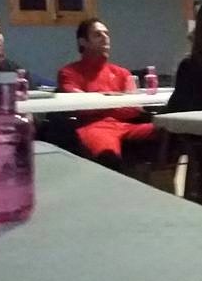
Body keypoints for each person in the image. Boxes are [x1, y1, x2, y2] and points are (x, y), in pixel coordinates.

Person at [57, 18, 158, 169]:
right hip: (94, 128)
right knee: (108, 157)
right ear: (83, 42)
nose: (105, 38)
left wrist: (99, 101)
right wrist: (118, 99)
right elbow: (81, 106)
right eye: (98, 34)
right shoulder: (68, 73)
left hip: (127, 125)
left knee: (172, 132)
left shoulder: (122, 73)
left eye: (106, 34)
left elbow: (134, 109)